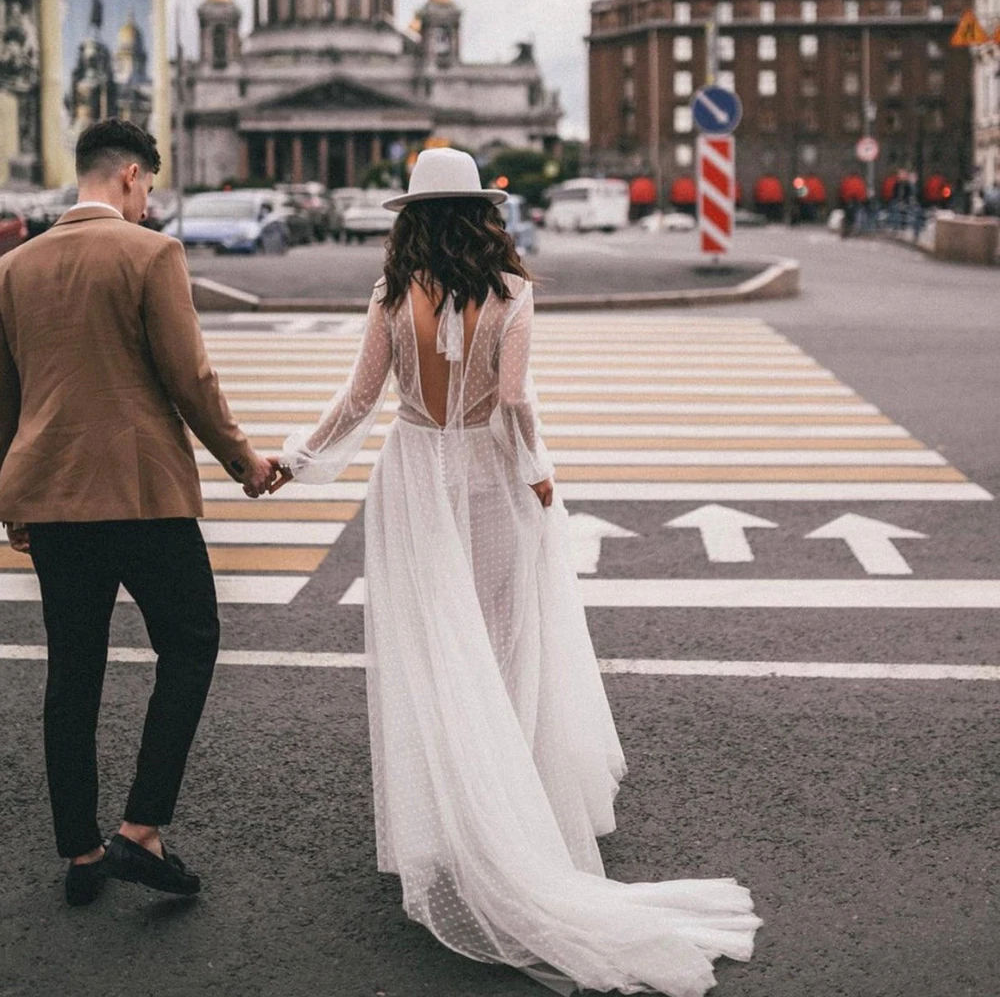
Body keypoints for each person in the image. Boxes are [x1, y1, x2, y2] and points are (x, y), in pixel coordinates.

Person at [273, 147, 762, 995]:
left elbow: (357, 402)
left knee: (435, 646)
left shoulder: (390, 295)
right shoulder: (511, 294)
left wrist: (295, 458)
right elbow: (514, 399)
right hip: (492, 475)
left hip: (415, 477)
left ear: (411, 219)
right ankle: (514, 807)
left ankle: (455, 817)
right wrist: (537, 469)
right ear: (484, 215)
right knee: (503, 641)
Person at [0, 118, 277, 906]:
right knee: (190, 646)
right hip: (145, 496)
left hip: (51, 497)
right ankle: (141, 829)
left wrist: (11, 496)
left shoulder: (13, 268)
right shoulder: (151, 255)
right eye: (150, 187)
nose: (150, 203)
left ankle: (81, 854)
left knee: (73, 668)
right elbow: (189, 377)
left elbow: (5, 396)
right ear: (128, 175)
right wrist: (244, 461)